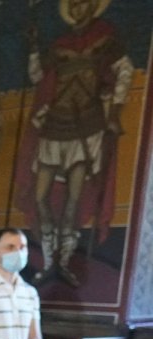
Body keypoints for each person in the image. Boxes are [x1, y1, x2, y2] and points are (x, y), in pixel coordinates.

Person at [21, 0, 133, 286]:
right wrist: (32, 47)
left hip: (87, 124)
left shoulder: (105, 37)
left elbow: (125, 70)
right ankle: (50, 260)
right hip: (54, 123)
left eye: (81, 3)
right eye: (72, 4)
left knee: (74, 197)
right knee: (40, 196)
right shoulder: (60, 43)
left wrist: (115, 111)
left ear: (93, 6)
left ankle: (63, 262)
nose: (75, 8)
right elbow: (38, 77)